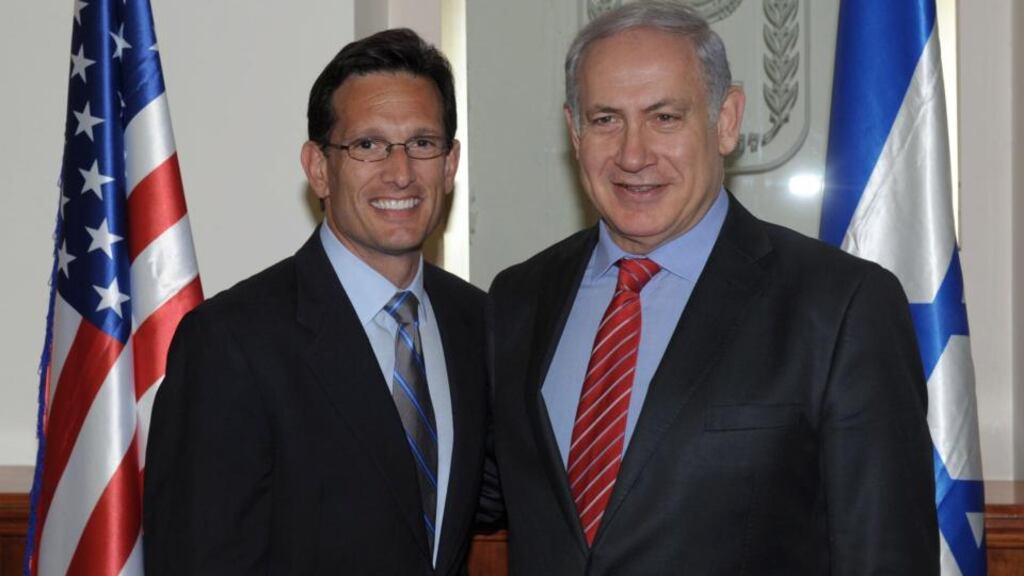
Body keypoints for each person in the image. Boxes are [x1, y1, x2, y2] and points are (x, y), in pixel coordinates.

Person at [487, 2, 939, 574]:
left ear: (726, 120)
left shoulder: (840, 306)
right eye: (605, 120)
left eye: (664, 117)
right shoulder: (518, 300)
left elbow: (884, 555)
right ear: (574, 132)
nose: (632, 154)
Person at [143, 28, 488, 575]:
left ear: (450, 165)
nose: (401, 172)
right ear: (319, 169)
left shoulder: (479, 324)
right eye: (368, 145)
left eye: (423, 143)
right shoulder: (230, 342)